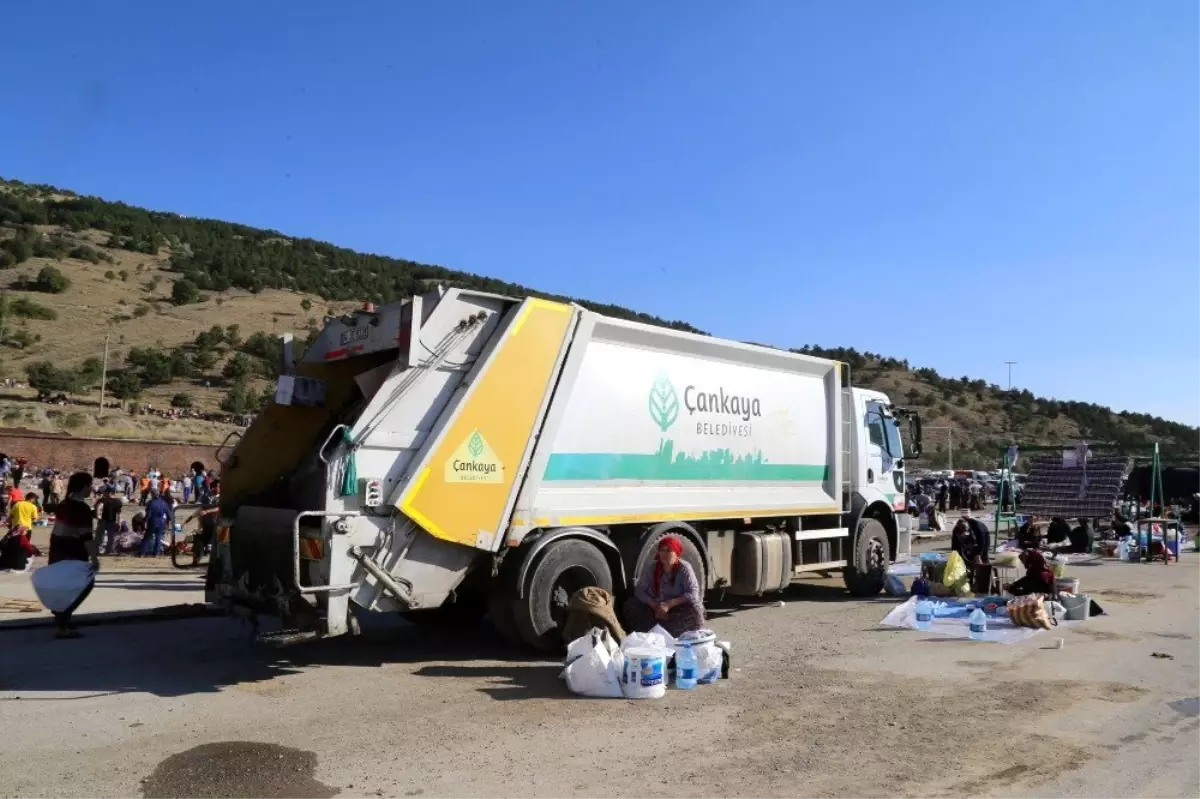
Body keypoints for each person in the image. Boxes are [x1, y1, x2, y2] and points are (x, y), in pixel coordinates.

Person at [48, 472, 99, 639]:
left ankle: (62, 619)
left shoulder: (64, 504)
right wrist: (94, 558)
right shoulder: (82, 509)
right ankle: (62, 624)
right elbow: (86, 537)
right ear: (84, 486)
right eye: (90, 485)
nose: (91, 488)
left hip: (58, 550)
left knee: (64, 588)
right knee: (84, 585)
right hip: (74, 554)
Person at [622, 535, 705, 638]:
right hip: (655, 609)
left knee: (696, 607)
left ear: (676, 554)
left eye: (669, 550)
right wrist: (654, 605)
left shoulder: (684, 568)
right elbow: (639, 591)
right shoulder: (652, 568)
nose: (665, 554)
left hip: (675, 608)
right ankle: (645, 635)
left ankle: (682, 636)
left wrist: (669, 604)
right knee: (630, 605)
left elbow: (693, 593)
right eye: (662, 550)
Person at [951, 515, 991, 594]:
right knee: (965, 560)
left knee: (982, 559)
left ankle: (982, 583)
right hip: (970, 538)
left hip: (984, 535)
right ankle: (969, 581)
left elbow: (981, 543)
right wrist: (957, 558)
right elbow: (955, 548)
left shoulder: (977, 528)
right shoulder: (955, 531)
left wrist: (978, 555)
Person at [183, 481, 219, 564]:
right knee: (199, 541)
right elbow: (198, 508)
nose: (219, 488)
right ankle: (196, 561)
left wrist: (207, 511)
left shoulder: (222, 497)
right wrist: (187, 520)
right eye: (217, 486)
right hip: (205, 524)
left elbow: (219, 508)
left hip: (217, 524)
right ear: (213, 487)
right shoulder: (205, 497)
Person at [139, 490, 174, 557]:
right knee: (158, 538)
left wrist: (144, 520)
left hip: (153, 521)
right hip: (161, 522)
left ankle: (142, 553)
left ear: (153, 495)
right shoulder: (164, 503)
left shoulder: (151, 503)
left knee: (147, 538)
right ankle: (156, 554)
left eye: (151, 495)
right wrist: (167, 522)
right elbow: (169, 515)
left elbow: (148, 515)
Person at [94, 486, 124, 556]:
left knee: (99, 536)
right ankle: (108, 551)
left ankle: (96, 550)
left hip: (103, 521)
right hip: (112, 522)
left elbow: (99, 507)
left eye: (106, 492)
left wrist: (98, 516)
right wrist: (119, 523)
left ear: (109, 493)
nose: (105, 493)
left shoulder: (103, 500)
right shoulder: (118, 502)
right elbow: (119, 513)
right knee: (110, 537)